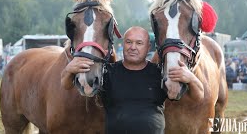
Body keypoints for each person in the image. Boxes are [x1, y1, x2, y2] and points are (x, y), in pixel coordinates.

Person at [61, 26, 197, 134]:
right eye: (129, 42)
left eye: (139, 43)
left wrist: (191, 79)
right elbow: (66, 85)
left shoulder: (160, 73)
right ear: (123, 44)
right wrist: (68, 70)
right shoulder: (107, 72)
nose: (133, 47)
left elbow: (198, 96)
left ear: (148, 47)